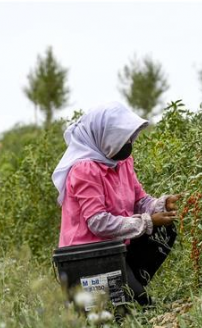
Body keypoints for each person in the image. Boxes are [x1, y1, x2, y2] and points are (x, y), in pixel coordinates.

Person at [52, 101, 180, 305]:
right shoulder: (85, 170)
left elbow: (140, 200)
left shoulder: (122, 162)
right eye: (122, 137)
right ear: (103, 136)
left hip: (116, 247)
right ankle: (127, 294)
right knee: (140, 307)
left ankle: (131, 285)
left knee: (165, 230)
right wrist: (148, 221)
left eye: (129, 137)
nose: (128, 142)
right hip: (87, 256)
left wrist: (162, 205)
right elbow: (99, 222)